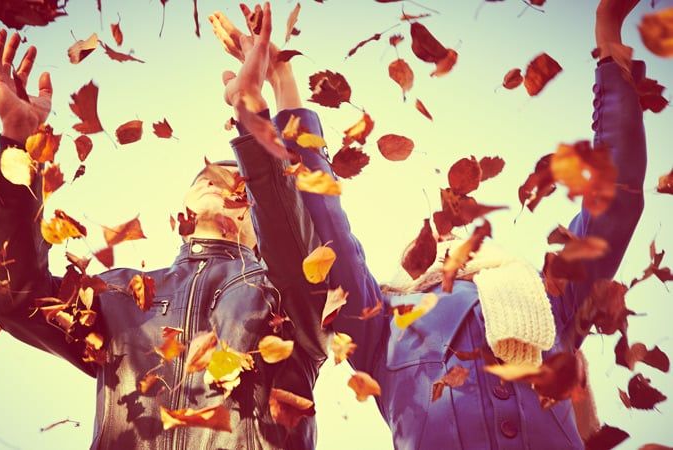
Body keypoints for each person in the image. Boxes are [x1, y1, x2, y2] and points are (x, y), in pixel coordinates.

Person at [212, 0, 647, 448]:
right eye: (433, 241)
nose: (448, 239)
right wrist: (282, 82)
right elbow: (327, 225)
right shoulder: (379, 323)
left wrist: (608, 37)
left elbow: (616, 195)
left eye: (459, 238)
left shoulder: (551, 300)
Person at [0, 3, 330, 449]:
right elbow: (18, 299)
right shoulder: (119, 294)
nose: (222, 182)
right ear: (184, 204)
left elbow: (295, 236)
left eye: (242, 183)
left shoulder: (284, 294)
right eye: (208, 177)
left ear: (258, 212)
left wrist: (255, 115)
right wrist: (16, 144)